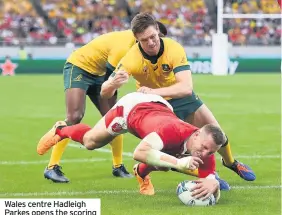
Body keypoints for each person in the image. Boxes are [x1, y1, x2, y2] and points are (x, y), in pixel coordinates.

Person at [101, 13, 256, 184]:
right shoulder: (130, 58)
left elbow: (186, 88)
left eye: (153, 37)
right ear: (137, 39)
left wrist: (153, 91)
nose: (151, 42)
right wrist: (112, 84)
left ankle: (231, 163)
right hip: (155, 107)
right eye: (144, 40)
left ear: (158, 30)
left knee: (217, 134)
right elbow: (104, 93)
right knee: (173, 151)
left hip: (180, 97)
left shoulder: (173, 48)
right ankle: (205, 175)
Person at [37, 92, 224, 201]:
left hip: (159, 109)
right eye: (205, 147)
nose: (206, 153)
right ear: (197, 133)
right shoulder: (172, 130)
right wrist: (178, 163)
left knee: (164, 160)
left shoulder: (205, 150)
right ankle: (61, 130)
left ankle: (141, 174)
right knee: (91, 142)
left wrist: (213, 183)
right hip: (130, 110)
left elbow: (211, 178)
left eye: (211, 151)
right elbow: (139, 152)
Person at [41, 23, 168, 183]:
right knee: (75, 116)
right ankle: (52, 167)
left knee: (116, 118)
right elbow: (111, 79)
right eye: (154, 38)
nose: (154, 43)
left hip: (100, 73)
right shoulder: (124, 46)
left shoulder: (140, 48)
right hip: (79, 67)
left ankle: (118, 166)